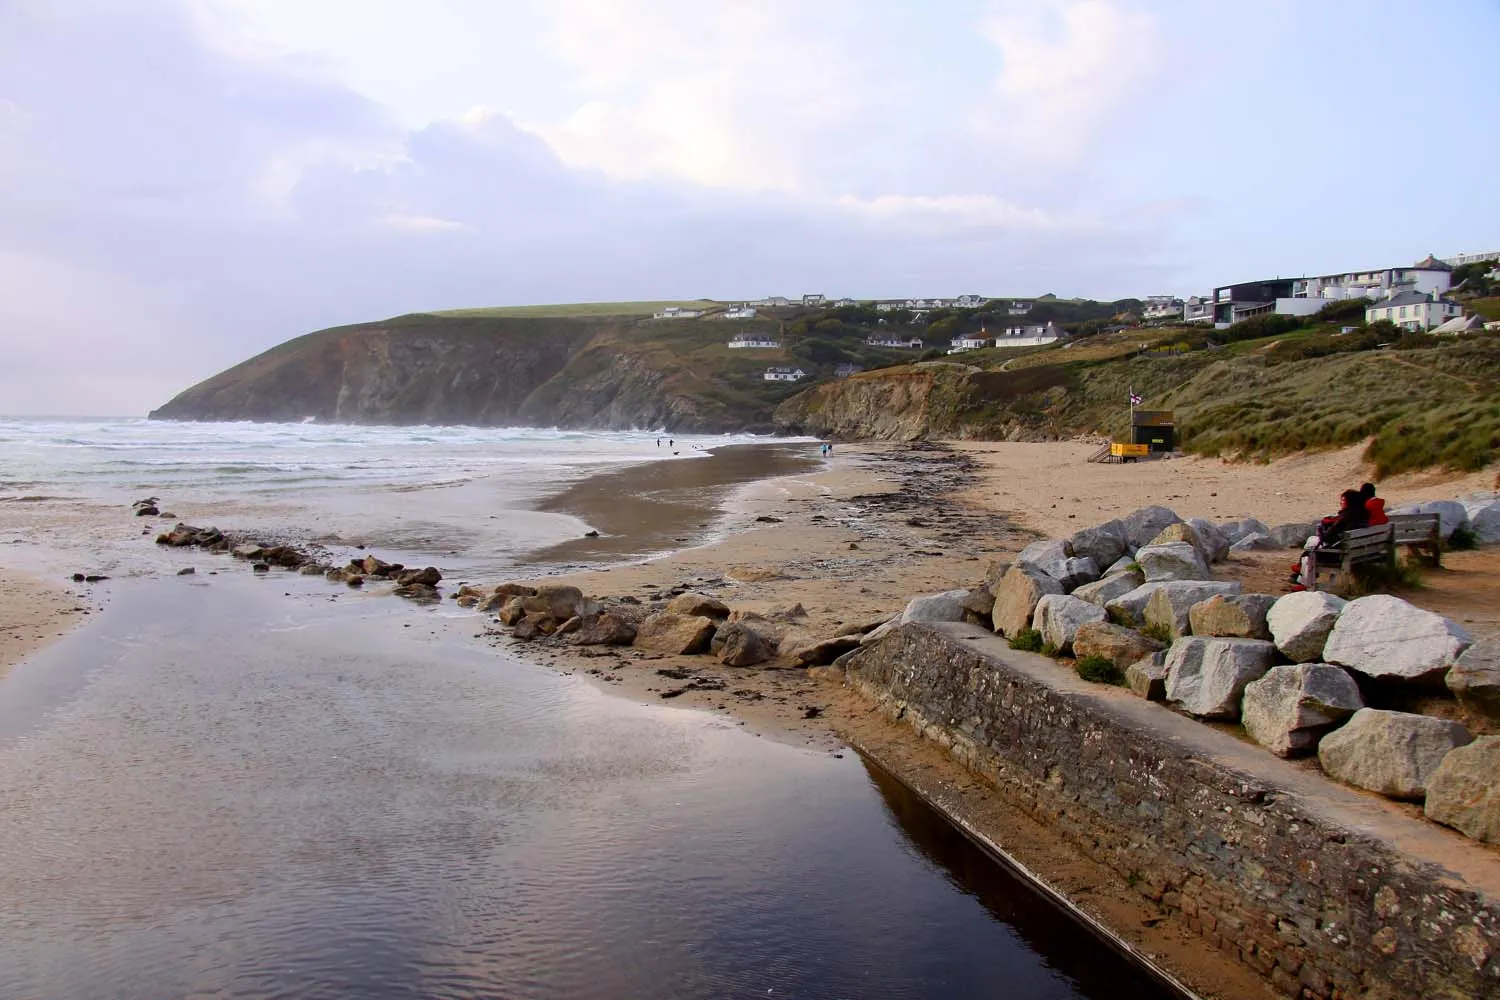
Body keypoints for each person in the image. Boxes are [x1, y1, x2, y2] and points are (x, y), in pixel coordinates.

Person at [1291, 489, 1370, 589]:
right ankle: (1301, 571)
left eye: (1343, 500)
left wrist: (1323, 530)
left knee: (1310, 553)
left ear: (1350, 502)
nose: (1340, 502)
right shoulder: (1363, 514)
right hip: (1359, 552)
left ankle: (1304, 582)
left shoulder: (1346, 517)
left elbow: (1328, 537)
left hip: (1340, 555)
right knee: (1312, 544)